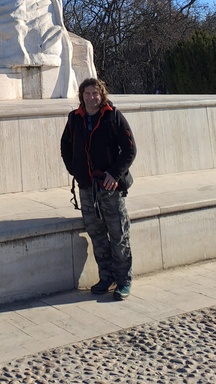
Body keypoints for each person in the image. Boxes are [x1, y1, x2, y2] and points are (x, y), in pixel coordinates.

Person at [60, 77, 137, 300]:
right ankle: (106, 277)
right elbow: (65, 146)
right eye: (87, 93)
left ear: (101, 94)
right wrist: (76, 170)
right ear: (81, 96)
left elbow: (130, 150)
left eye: (95, 93)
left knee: (118, 233)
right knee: (97, 235)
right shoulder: (75, 118)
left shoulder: (113, 116)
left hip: (110, 185)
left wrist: (114, 174)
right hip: (87, 186)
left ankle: (123, 280)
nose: (91, 97)